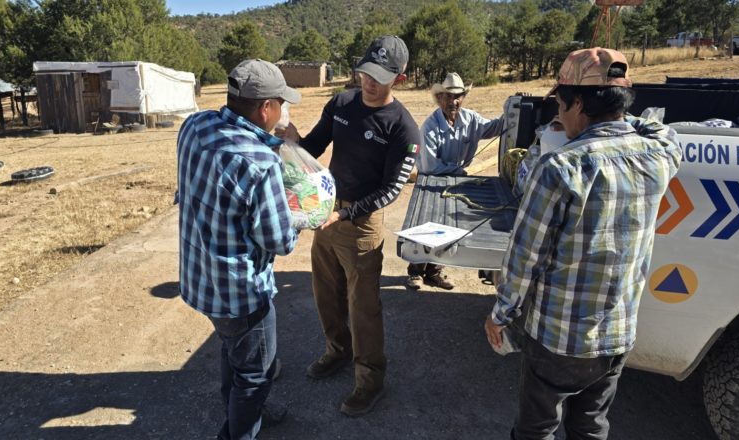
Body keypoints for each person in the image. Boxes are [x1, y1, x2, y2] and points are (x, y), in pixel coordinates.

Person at [484, 47, 682, 440]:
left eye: (560, 102)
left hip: (559, 338)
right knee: (591, 427)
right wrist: (620, 108)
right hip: (618, 333)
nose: (557, 114)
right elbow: (663, 130)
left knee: (536, 429)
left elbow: (526, 257)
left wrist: (500, 314)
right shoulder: (659, 155)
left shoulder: (561, 167)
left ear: (579, 102)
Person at [281, 35, 420, 416]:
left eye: (379, 77)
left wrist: (346, 213)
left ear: (400, 79)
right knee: (325, 293)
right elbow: (314, 146)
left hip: (361, 226)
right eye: (365, 72)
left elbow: (391, 189)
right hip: (326, 214)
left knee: (363, 307)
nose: (369, 82)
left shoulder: (404, 128)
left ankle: (370, 379)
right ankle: (337, 352)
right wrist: (294, 145)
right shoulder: (341, 102)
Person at [176, 59, 300, 440]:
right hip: (241, 293)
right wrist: (301, 211)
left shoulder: (193, 126)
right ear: (266, 108)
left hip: (200, 281)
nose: (284, 111)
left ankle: (248, 411)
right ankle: (239, 428)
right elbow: (280, 241)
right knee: (254, 374)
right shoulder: (260, 162)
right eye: (281, 103)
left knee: (235, 352)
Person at [407, 71, 505, 291]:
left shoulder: (470, 119)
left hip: (456, 178)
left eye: (458, 96)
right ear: (440, 98)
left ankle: (434, 272)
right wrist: (460, 172)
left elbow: (495, 128)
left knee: (447, 225)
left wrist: (513, 110)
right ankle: (415, 271)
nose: (454, 101)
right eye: (449, 96)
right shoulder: (430, 126)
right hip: (431, 180)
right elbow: (432, 166)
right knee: (428, 224)